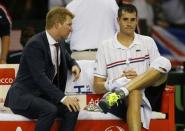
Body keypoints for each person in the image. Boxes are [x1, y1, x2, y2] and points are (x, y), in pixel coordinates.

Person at [93, 4, 171, 131]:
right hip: (117, 100)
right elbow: (97, 86)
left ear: (137, 21)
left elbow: (159, 70)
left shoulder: (148, 41)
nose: (129, 23)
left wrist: (137, 79)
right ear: (118, 20)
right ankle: (123, 90)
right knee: (134, 92)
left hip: (147, 94)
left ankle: (124, 89)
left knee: (164, 62)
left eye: (132, 19)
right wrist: (116, 82)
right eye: (125, 19)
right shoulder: (105, 46)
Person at [4, 7, 81, 131]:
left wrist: (74, 65)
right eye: (69, 24)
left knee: (72, 108)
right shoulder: (35, 45)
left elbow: (67, 57)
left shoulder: (60, 42)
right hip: (23, 97)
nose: (71, 29)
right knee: (50, 109)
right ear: (57, 25)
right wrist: (64, 98)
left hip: (42, 96)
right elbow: (40, 78)